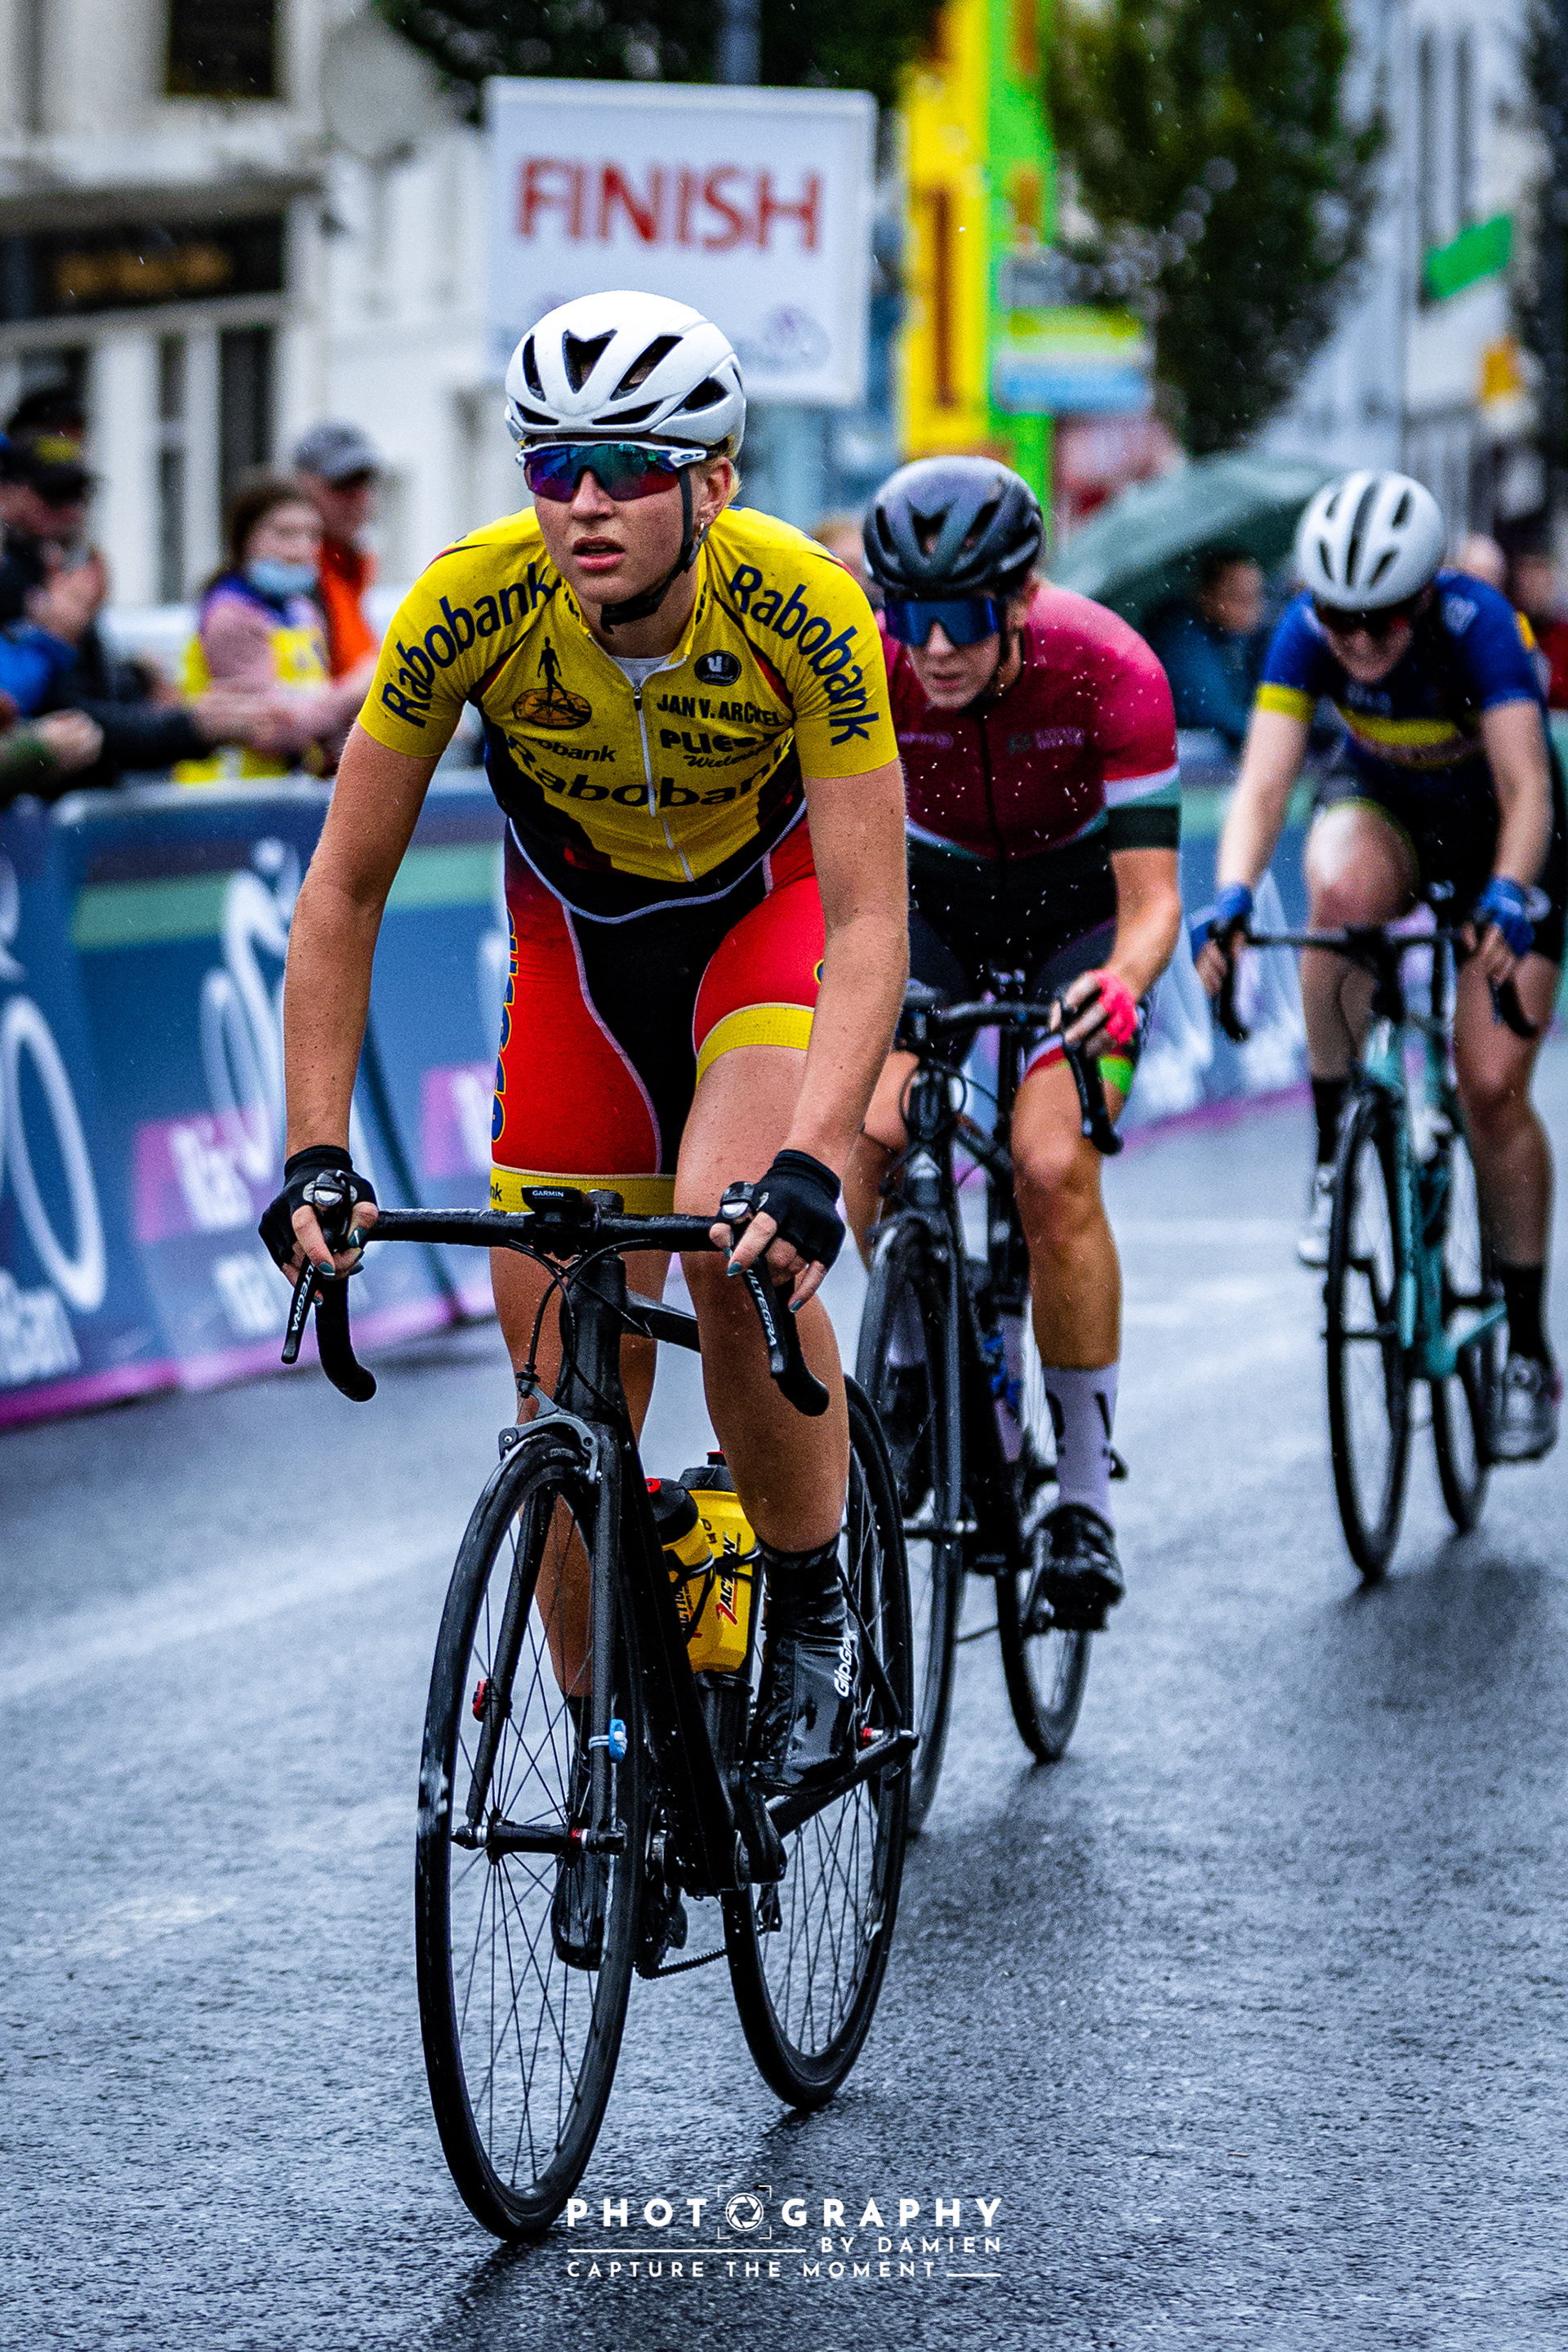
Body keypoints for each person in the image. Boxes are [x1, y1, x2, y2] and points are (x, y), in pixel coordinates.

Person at [260, 292, 907, 1811]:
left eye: (629, 465)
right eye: (555, 467)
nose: (588, 503)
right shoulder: (466, 606)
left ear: (714, 482)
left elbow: (875, 918)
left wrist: (818, 1159)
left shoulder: (805, 604)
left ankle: (813, 1617)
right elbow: (341, 890)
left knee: (734, 1232)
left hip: (767, 928)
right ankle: (604, 1736)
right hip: (578, 955)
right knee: (558, 1363)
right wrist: (313, 1150)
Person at [843, 456, 1183, 1628]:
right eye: (908, 617)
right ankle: (915, 1357)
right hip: (930, 907)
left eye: (963, 619)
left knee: (1048, 1163)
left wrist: (1124, 986)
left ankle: (1081, 1502)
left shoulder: (1111, 667)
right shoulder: (866, 666)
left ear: (1021, 601)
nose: (932, 649)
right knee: (861, 1133)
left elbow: (1151, 905)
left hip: (1076, 921)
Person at [1198, 470, 1565, 1461]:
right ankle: (1333, 1155)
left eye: (1381, 619)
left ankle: (1528, 1341)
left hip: (1503, 834)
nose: (1357, 639)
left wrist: (1508, 893)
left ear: (1422, 595)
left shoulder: (1477, 624)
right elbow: (1266, 783)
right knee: (1337, 900)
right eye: (1340, 617)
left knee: (1491, 1088)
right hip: (1391, 808)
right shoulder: (1307, 634)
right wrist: (1230, 896)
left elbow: (1529, 787)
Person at [0, 391, 272, 789]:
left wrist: (135, 677)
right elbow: (62, 716)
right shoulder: (19, 581)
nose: (73, 511)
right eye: (56, 496)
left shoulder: (63, 569)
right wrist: (190, 728)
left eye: (82, 493)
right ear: (10, 496)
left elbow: (82, 693)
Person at [174, 475, 372, 782]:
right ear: (244, 539)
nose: (301, 549)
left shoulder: (301, 611)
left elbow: (314, 711)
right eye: (284, 534)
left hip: (280, 791)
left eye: (311, 535)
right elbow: (271, 731)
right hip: (226, 799)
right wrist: (357, 691)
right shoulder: (231, 615)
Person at [1146, 546, 1267, 752]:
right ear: (1206, 595)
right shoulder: (1181, 636)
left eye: (1256, 597)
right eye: (1240, 599)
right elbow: (1217, 712)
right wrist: (1281, 728)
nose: (1254, 611)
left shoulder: (1235, 636)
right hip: (1184, 748)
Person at [292, 421, 382, 678]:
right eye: (342, 484)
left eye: (364, 483)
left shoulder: (349, 564)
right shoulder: (294, 574)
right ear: (304, 487)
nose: (360, 498)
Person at [1511, 546, 1568, 711]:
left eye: (1540, 572)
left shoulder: (1562, 634)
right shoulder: (1512, 626)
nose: (1533, 583)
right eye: (1526, 573)